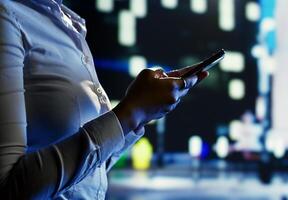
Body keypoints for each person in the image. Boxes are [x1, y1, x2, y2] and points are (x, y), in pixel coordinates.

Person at [0, 0, 208, 199]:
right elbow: (8, 189)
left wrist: (141, 114)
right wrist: (131, 112)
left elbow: (88, 174)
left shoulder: (70, 25)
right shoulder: (8, 16)